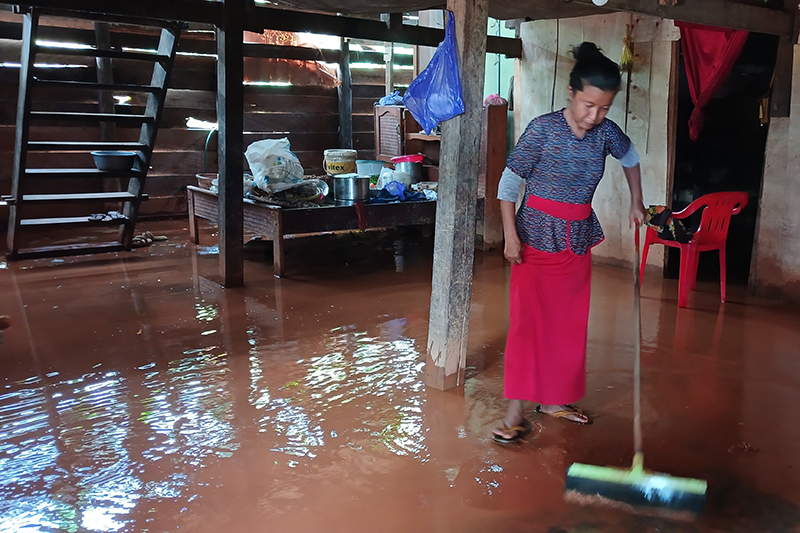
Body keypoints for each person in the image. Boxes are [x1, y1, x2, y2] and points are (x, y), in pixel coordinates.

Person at [492, 42, 647, 443]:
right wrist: (510, 236)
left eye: (604, 108)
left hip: (576, 241)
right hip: (534, 240)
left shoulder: (605, 134)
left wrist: (636, 201)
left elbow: (630, 158)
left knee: (568, 327)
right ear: (572, 93)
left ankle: (554, 401)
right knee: (529, 326)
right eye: (588, 105)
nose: (594, 116)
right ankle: (514, 414)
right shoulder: (543, 130)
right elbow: (509, 184)